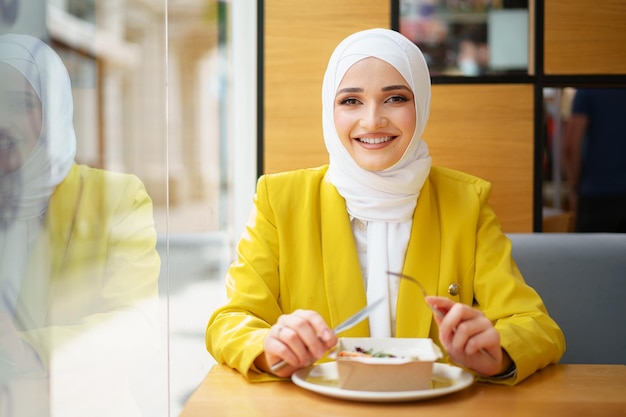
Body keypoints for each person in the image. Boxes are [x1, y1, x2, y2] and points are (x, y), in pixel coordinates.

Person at [206, 28, 564, 386]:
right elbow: (231, 320)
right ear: (329, 109)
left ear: (421, 104)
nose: (373, 120)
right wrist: (269, 346)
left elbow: (536, 327)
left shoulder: (465, 202)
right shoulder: (280, 199)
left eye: (395, 99)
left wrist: (496, 351)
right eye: (350, 101)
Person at [0, 34, 161, 416]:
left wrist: (24, 350)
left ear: (54, 107)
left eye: (21, 104)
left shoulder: (115, 196)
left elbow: (137, 329)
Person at [562, 88, 626, 232]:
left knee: (593, 253)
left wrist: (574, 187)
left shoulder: (589, 88)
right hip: (601, 192)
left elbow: (571, 146)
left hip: (596, 197)